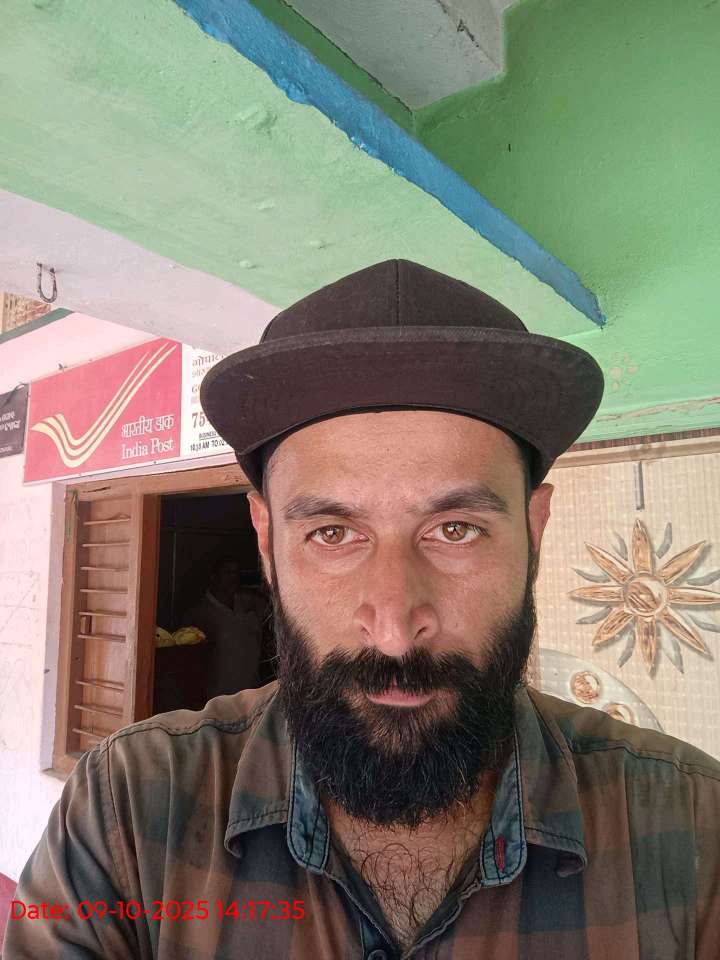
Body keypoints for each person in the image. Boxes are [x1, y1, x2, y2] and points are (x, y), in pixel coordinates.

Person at [4, 260, 719, 959]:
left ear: (534, 530)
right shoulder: (127, 809)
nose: (395, 628)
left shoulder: (695, 828)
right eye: (333, 534)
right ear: (266, 539)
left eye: (455, 530)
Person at [179, 556, 263, 698]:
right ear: (214, 577)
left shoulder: (251, 604)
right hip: (216, 698)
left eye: (236, 572)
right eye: (227, 572)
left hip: (251, 695)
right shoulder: (199, 614)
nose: (233, 577)